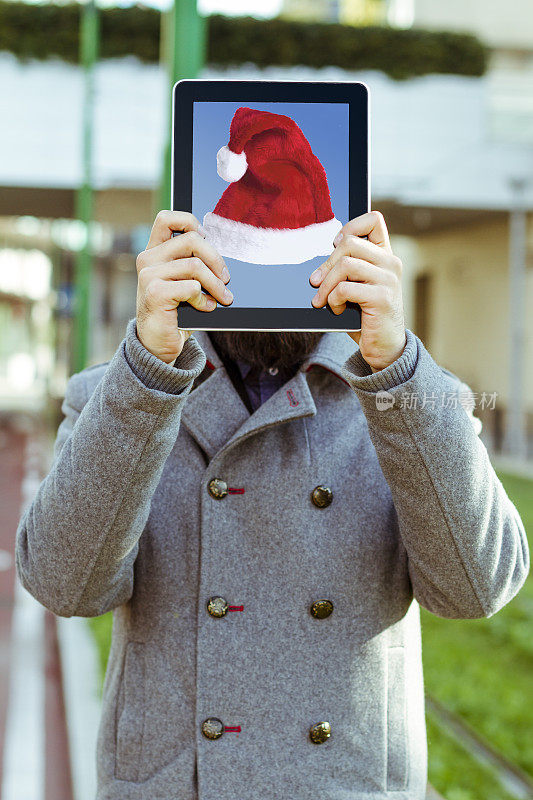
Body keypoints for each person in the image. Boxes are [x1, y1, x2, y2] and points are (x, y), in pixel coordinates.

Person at [15, 209, 529, 800]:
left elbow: (478, 588)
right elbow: (62, 584)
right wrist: (149, 367)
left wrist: (397, 369)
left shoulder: (403, 392)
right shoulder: (120, 392)